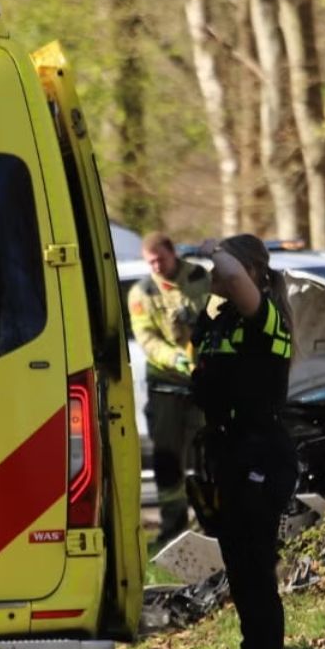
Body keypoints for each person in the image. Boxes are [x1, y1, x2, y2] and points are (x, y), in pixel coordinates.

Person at [188, 234, 297, 649]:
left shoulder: (265, 317)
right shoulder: (223, 318)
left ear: (252, 271)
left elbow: (231, 273)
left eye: (224, 267)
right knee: (242, 575)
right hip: (228, 453)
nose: (214, 274)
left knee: (256, 575)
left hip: (260, 455)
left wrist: (215, 248)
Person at [128, 231, 210, 548]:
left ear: (173, 253)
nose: (156, 266)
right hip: (166, 385)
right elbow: (146, 338)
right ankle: (173, 528)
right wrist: (174, 358)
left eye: (160, 259)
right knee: (168, 460)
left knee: (207, 456)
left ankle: (210, 521)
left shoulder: (200, 278)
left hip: (204, 383)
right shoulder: (143, 293)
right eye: (150, 262)